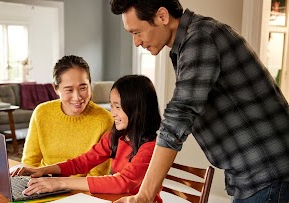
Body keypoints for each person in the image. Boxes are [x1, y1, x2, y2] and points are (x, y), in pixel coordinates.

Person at [110, 0, 289, 203]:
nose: (136, 42)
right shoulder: (188, 44)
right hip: (253, 177)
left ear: (162, 16)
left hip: (268, 174)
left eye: (137, 32)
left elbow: (177, 119)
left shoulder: (201, 38)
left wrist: (144, 196)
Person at [13, 75, 163, 203]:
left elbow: (122, 182)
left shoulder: (151, 147)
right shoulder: (116, 137)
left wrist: (60, 183)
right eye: (111, 106)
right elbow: (82, 163)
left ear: (137, 109)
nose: (113, 113)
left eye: (118, 107)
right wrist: (42, 170)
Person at [21, 55, 113, 176]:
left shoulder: (104, 120)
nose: (77, 97)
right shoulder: (42, 113)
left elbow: (97, 176)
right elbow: (30, 163)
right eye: (69, 90)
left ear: (90, 84)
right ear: (56, 89)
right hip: (44, 184)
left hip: (81, 190)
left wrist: (61, 186)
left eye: (83, 87)